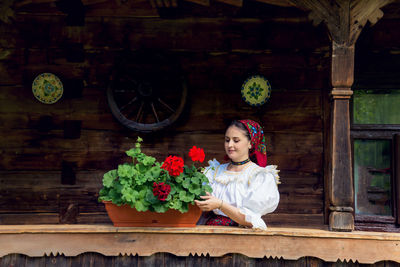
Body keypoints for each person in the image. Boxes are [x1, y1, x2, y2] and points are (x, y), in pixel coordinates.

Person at [195, 119, 280, 230]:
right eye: (227, 140)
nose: (230, 145)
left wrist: (221, 204)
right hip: (210, 231)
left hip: (240, 236)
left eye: (236, 140)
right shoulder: (214, 172)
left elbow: (251, 220)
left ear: (250, 143)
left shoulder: (259, 176)